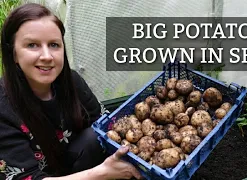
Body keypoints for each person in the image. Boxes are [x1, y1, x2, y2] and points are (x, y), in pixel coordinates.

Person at [0, 3, 142, 180]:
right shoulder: (3, 108)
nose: (46, 56)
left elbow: (104, 124)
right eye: (32, 45)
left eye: (54, 45)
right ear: (13, 53)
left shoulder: (71, 82)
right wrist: (103, 173)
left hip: (73, 168)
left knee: (94, 135)